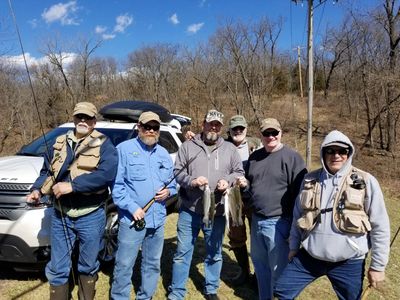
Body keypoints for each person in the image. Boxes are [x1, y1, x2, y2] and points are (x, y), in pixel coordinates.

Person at [274, 130, 390, 300]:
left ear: (349, 153)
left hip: (349, 262)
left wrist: (378, 266)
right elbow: (298, 215)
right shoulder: (309, 180)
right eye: (330, 150)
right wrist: (293, 246)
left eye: (342, 151)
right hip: (309, 257)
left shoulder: (366, 181)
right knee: (281, 291)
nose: (336, 155)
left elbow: (381, 227)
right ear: (323, 153)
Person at [26, 101, 118, 300]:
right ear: (74, 118)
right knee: (58, 267)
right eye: (79, 117)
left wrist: (73, 186)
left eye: (87, 117)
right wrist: (37, 190)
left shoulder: (105, 143)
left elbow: (106, 174)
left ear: (94, 121)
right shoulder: (58, 142)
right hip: (61, 215)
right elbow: (47, 172)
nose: (83, 120)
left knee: (88, 264)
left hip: (91, 215)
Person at [167, 109, 246, 300]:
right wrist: (192, 181)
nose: (214, 127)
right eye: (211, 123)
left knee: (214, 252)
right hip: (190, 209)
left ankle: (211, 289)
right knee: (182, 253)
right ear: (203, 124)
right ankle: (177, 292)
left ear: (221, 128)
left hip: (217, 210)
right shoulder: (188, 146)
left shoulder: (229, 149)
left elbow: (239, 171)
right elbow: (177, 172)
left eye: (217, 125)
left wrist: (227, 180)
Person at [110, 111, 177, 300]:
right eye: (146, 127)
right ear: (139, 127)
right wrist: (132, 207)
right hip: (132, 219)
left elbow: (173, 183)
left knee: (153, 263)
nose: (150, 131)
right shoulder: (123, 149)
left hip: (158, 218)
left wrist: (169, 191)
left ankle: (145, 296)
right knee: (124, 264)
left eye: (155, 127)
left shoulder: (163, 153)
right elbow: (116, 185)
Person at [244, 118, 307, 300]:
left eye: (274, 133)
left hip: (280, 223)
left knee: (279, 272)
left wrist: (295, 229)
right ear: (260, 136)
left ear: (281, 133)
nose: (271, 137)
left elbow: (302, 196)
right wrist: (243, 185)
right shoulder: (254, 157)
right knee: (261, 268)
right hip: (256, 221)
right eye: (266, 133)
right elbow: (250, 186)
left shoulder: (293, 158)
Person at [225, 115, 261, 285]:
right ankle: (244, 272)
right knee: (236, 237)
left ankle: (259, 274)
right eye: (234, 129)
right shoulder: (222, 145)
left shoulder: (257, 144)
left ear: (246, 129)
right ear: (229, 131)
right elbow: (204, 139)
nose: (238, 131)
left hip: (254, 199)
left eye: (241, 128)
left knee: (258, 237)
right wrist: (189, 135)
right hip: (233, 198)